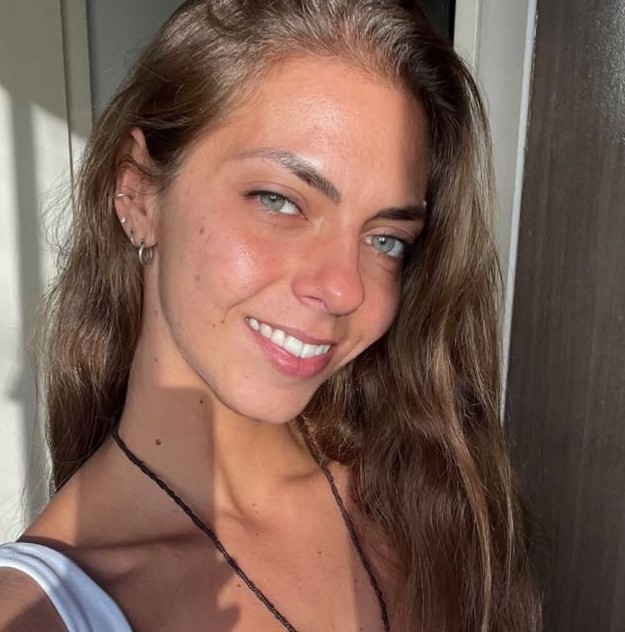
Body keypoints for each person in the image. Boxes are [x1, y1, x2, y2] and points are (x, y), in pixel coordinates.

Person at [0, 1, 541, 630]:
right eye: (279, 201)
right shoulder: (41, 611)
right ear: (139, 192)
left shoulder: (428, 495)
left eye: (386, 239)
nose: (343, 289)